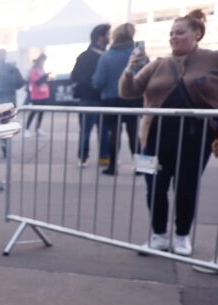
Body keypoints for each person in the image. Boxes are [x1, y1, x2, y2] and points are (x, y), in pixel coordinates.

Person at [119, 9, 218, 255]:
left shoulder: (213, 59)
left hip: (196, 138)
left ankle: (182, 235)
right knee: (155, 186)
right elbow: (128, 92)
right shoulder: (158, 65)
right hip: (154, 138)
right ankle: (158, 235)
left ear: (197, 33)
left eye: (180, 32)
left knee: (186, 188)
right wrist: (130, 68)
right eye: (171, 34)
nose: (174, 37)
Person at [92, 23, 143, 175]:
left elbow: (98, 81)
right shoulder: (138, 55)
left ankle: (112, 166)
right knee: (134, 134)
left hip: (111, 100)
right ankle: (140, 167)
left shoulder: (106, 56)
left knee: (114, 133)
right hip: (133, 99)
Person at [71, 23, 110, 166]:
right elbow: (75, 76)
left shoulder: (107, 55)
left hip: (103, 100)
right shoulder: (85, 56)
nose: (110, 37)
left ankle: (104, 157)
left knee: (105, 130)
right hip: (89, 99)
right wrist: (94, 84)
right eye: (107, 34)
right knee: (86, 130)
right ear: (100, 36)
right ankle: (83, 157)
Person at [24, 54, 51, 137]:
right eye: (42, 61)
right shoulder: (33, 70)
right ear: (39, 61)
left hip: (44, 94)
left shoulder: (42, 69)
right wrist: (45, 76)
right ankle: (27, 129)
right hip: (36, 95)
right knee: (33, 112)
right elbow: (37, 82)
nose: (43, 63)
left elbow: (44, 81)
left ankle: (38, 128)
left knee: (41, 113)